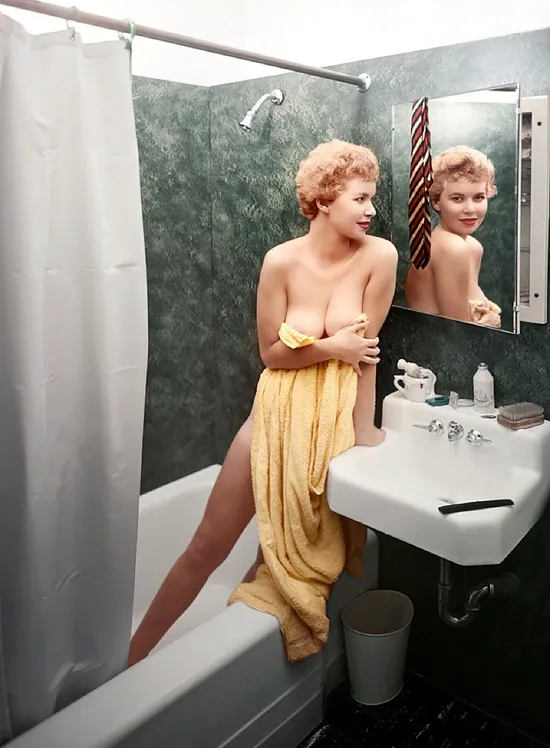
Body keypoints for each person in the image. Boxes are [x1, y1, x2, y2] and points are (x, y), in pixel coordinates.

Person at [128, 139, 398, 666]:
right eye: (360, 198)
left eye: (372, 197)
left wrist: (364, 431)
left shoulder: (379, 256)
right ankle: (131, 660)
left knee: (274, 557)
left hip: (329, 426)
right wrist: (331, 347)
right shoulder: (281, 262)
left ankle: (237, 659)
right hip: (272, 414)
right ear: (324, 200)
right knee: (206, 545)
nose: (371, 210)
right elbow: (272, 353)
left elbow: (366, 356)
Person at [404, 145, 501, 327]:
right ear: (436, 202)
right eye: (457, 198)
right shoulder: (452, 247)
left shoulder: (472, 247)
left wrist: (488, 318)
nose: (470, 209)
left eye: (479, 197)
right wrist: (492, 321)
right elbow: (459, 332)